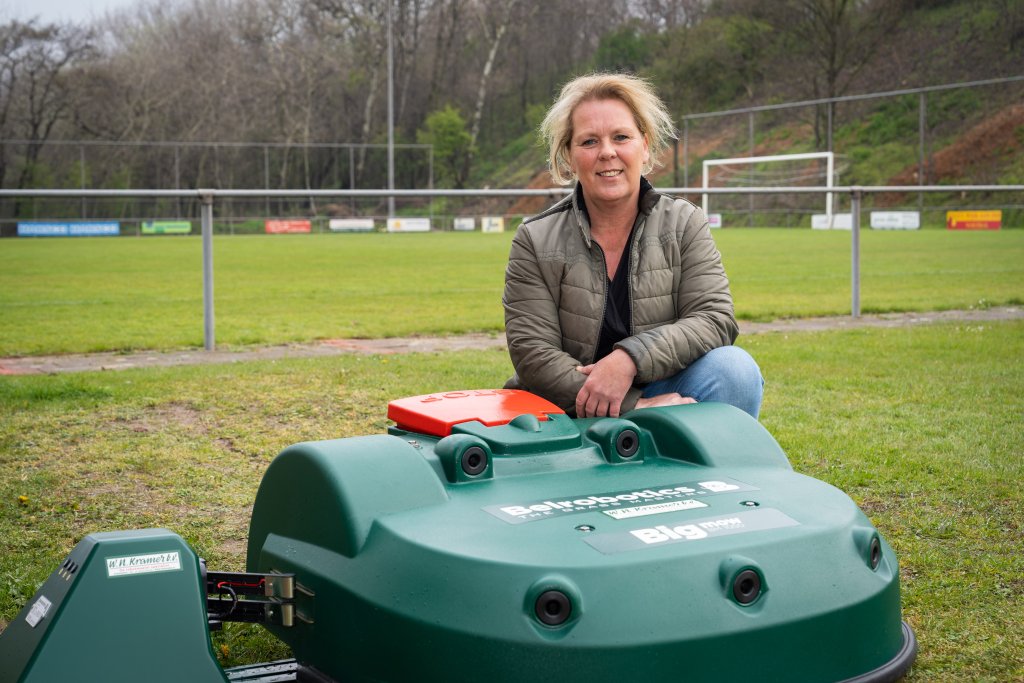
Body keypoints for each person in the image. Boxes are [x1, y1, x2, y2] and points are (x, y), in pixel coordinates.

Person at [502, 72, 763, 419]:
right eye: (589, 141)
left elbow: (714, 319)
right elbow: (534, 353)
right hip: (567, 405)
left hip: (664, 395)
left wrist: (628, 360)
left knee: (736, 370)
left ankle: (701, 472)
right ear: (568, 154)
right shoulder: (535, 239)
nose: (607, 152)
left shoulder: (685, 223)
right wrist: (631, 407)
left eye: (621, 137)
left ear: (645, 143)